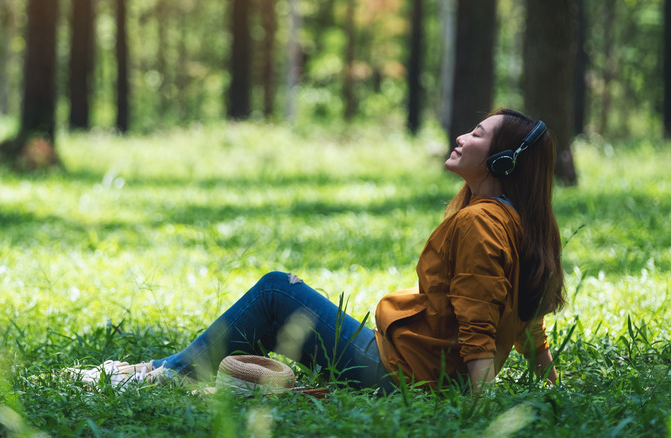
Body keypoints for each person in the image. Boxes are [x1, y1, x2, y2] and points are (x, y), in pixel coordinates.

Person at [72, 108, 564, 393]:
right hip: (409, 363)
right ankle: (158, 369)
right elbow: (526, 314)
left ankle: (157, 376)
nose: (462, 136)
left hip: (401, 375)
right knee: (280, 294)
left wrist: (473, 412)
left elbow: (480, 321)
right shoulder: (516, 222)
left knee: (274, 291)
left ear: (502, 160)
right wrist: (549, 381)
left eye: (477, 134)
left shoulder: (482, 224)